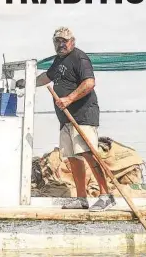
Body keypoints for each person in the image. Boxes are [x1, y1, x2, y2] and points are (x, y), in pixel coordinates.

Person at [35, 26, 115, 211]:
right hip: (65, 119)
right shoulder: (59, 60)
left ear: (73, 41)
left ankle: (106, 195)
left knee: (88, 154)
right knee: (73, 158)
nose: (61, 44)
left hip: (83, 116)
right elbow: (47, 77)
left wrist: (69, 98)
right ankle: (81, 199)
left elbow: (89, 82)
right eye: (58, 41)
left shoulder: (79, 58)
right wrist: (26, 82)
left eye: (64, 40)